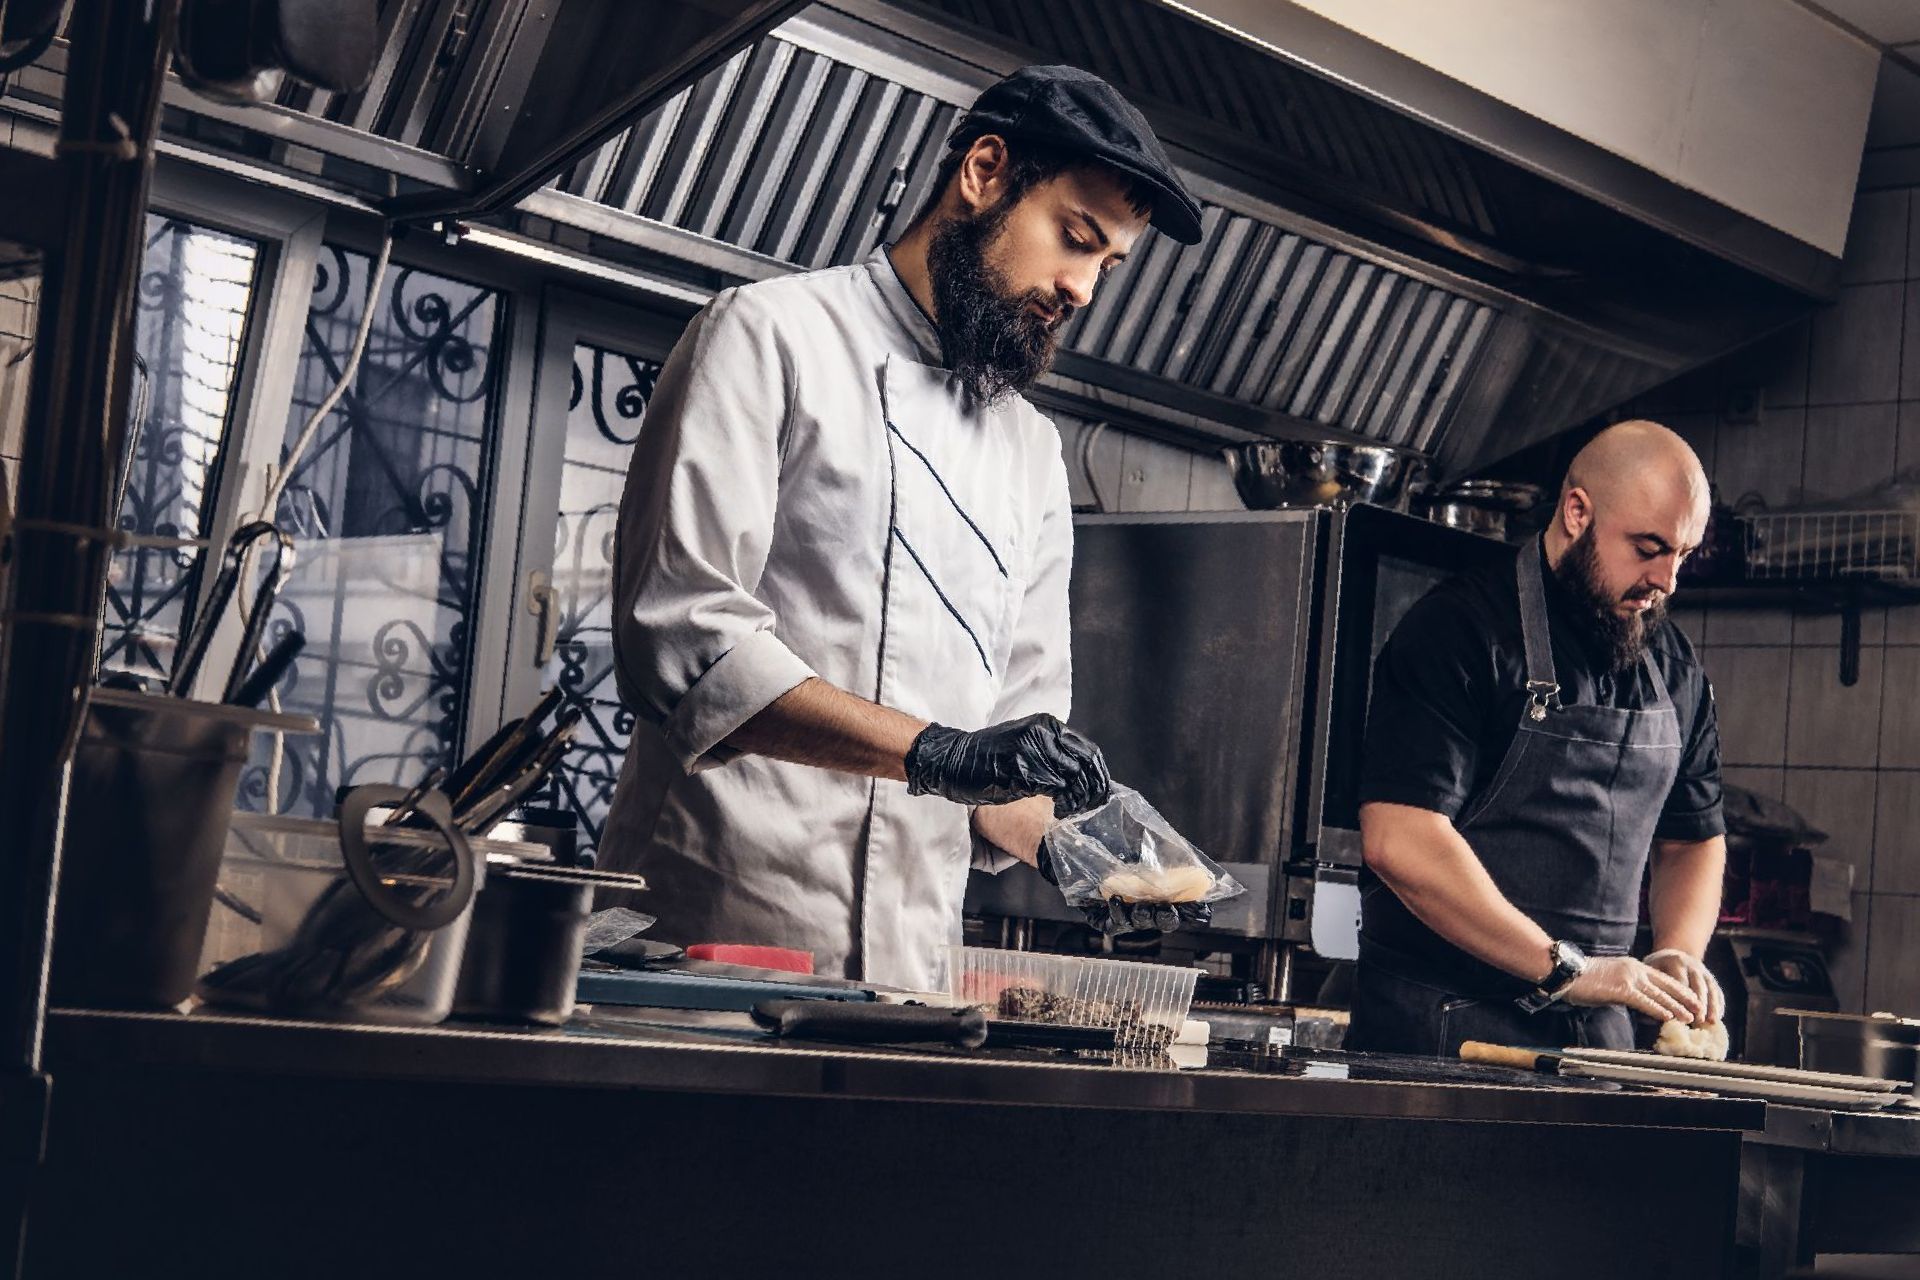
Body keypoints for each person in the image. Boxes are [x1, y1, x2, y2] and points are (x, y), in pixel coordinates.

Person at [598, 66, 1205, 989]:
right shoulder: (771, 337)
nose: (1082, 288)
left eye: (1107, 267)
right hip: (715, 936)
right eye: (1076, 240)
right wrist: (941, 753)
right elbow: (682, 642)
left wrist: (1105, 859)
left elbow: (1011, 751)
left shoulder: (1030, 451)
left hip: (908, 971)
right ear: (985, 171)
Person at [1349, 420, 1728, 1055]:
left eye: (1682, 555)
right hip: (1440, 1031)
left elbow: (1692, 838)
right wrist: (1567, 968)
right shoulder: (1459, 631)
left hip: (1598, 1038)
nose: (1666, 581)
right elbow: (1400, 840)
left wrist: (1676, 950)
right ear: (1577, 512)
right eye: (1648, 547)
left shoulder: (1673, 665)